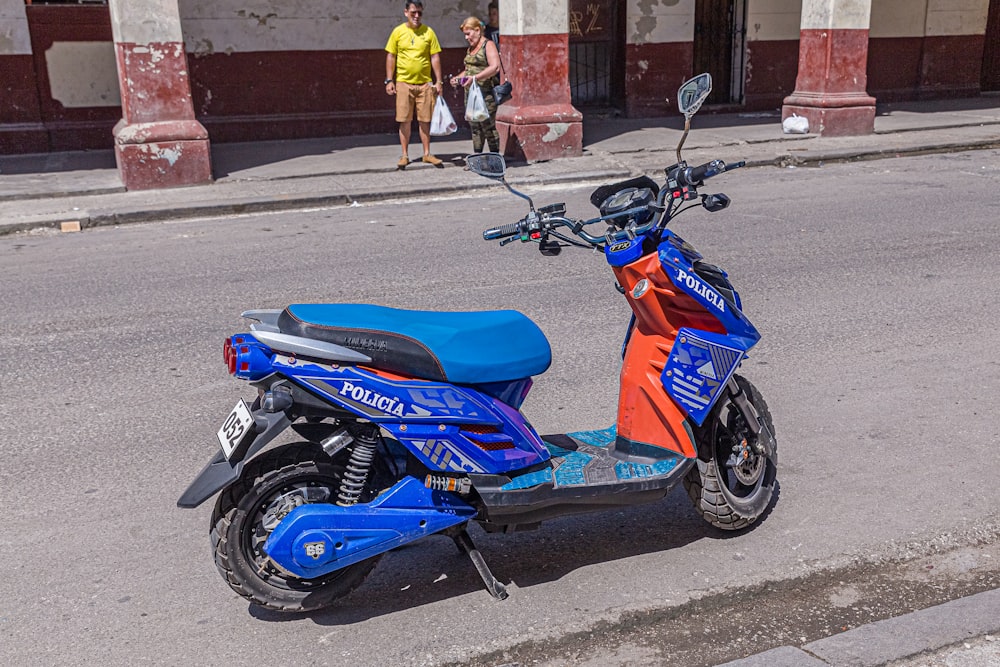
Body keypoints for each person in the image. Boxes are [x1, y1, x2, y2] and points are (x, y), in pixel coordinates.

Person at [385, 0, 445, 169]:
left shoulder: (429, 32)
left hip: (425, 83)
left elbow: (435, 57)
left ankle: (427, 153)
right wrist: (389, 80)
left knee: (425, 120)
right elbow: (391, 56)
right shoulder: (398, 32)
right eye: (413, 13)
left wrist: (439, 81)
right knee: (404, 120)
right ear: (406, 13)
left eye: (419, 13)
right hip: (403, 83)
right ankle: (404, 155)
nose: (417, 16)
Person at [449, 16, 501, 153]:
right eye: (465, 34)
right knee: (475, 127)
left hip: (486, 95)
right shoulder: (471, 48)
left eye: (468, 34)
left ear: (478, 30)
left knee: (488, 127)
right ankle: (477, 157)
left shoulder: (488, 45)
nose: (466, 38)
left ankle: (495, 158)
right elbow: (468, 69)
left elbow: (495, 67)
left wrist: (475, 78)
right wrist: (458, 78)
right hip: (471, 94)